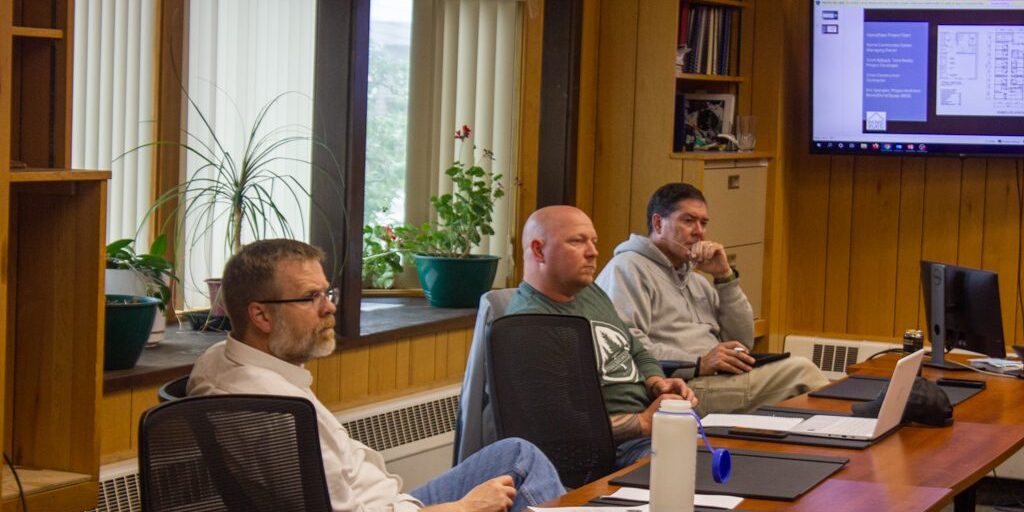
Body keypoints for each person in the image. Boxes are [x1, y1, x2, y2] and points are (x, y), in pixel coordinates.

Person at [188, 239, 564, 512]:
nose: (329, 306)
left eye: (326, 292)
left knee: (517, 453)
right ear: (261, 316)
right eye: (310, 297)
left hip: (392, 501)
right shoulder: (276, 412)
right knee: (522, 467)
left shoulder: (219, 360)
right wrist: (463, 508)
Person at [595, 183, 829, 415]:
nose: (699, 231)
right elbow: (623, 348)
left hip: (719, 381)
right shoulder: (628, 268)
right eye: (688, 221)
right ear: (658, 223)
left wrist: (724, 278)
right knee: (801, 373)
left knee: (800, 394)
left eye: (703, 223)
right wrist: (699, 362)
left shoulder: (697, 281)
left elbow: (742, 341)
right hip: (680, 389)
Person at [504, 206, 698, 469]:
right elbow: (559, 431)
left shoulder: (589, 292)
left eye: (593, 241)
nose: (593, 252)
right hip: (604, 454)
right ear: (539, 250)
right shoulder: (529, 326)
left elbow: (635, 349)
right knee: (693, 472)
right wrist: (642, 422)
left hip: (647, 431)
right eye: (577, 241)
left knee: (730, 459)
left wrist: (657, 383)